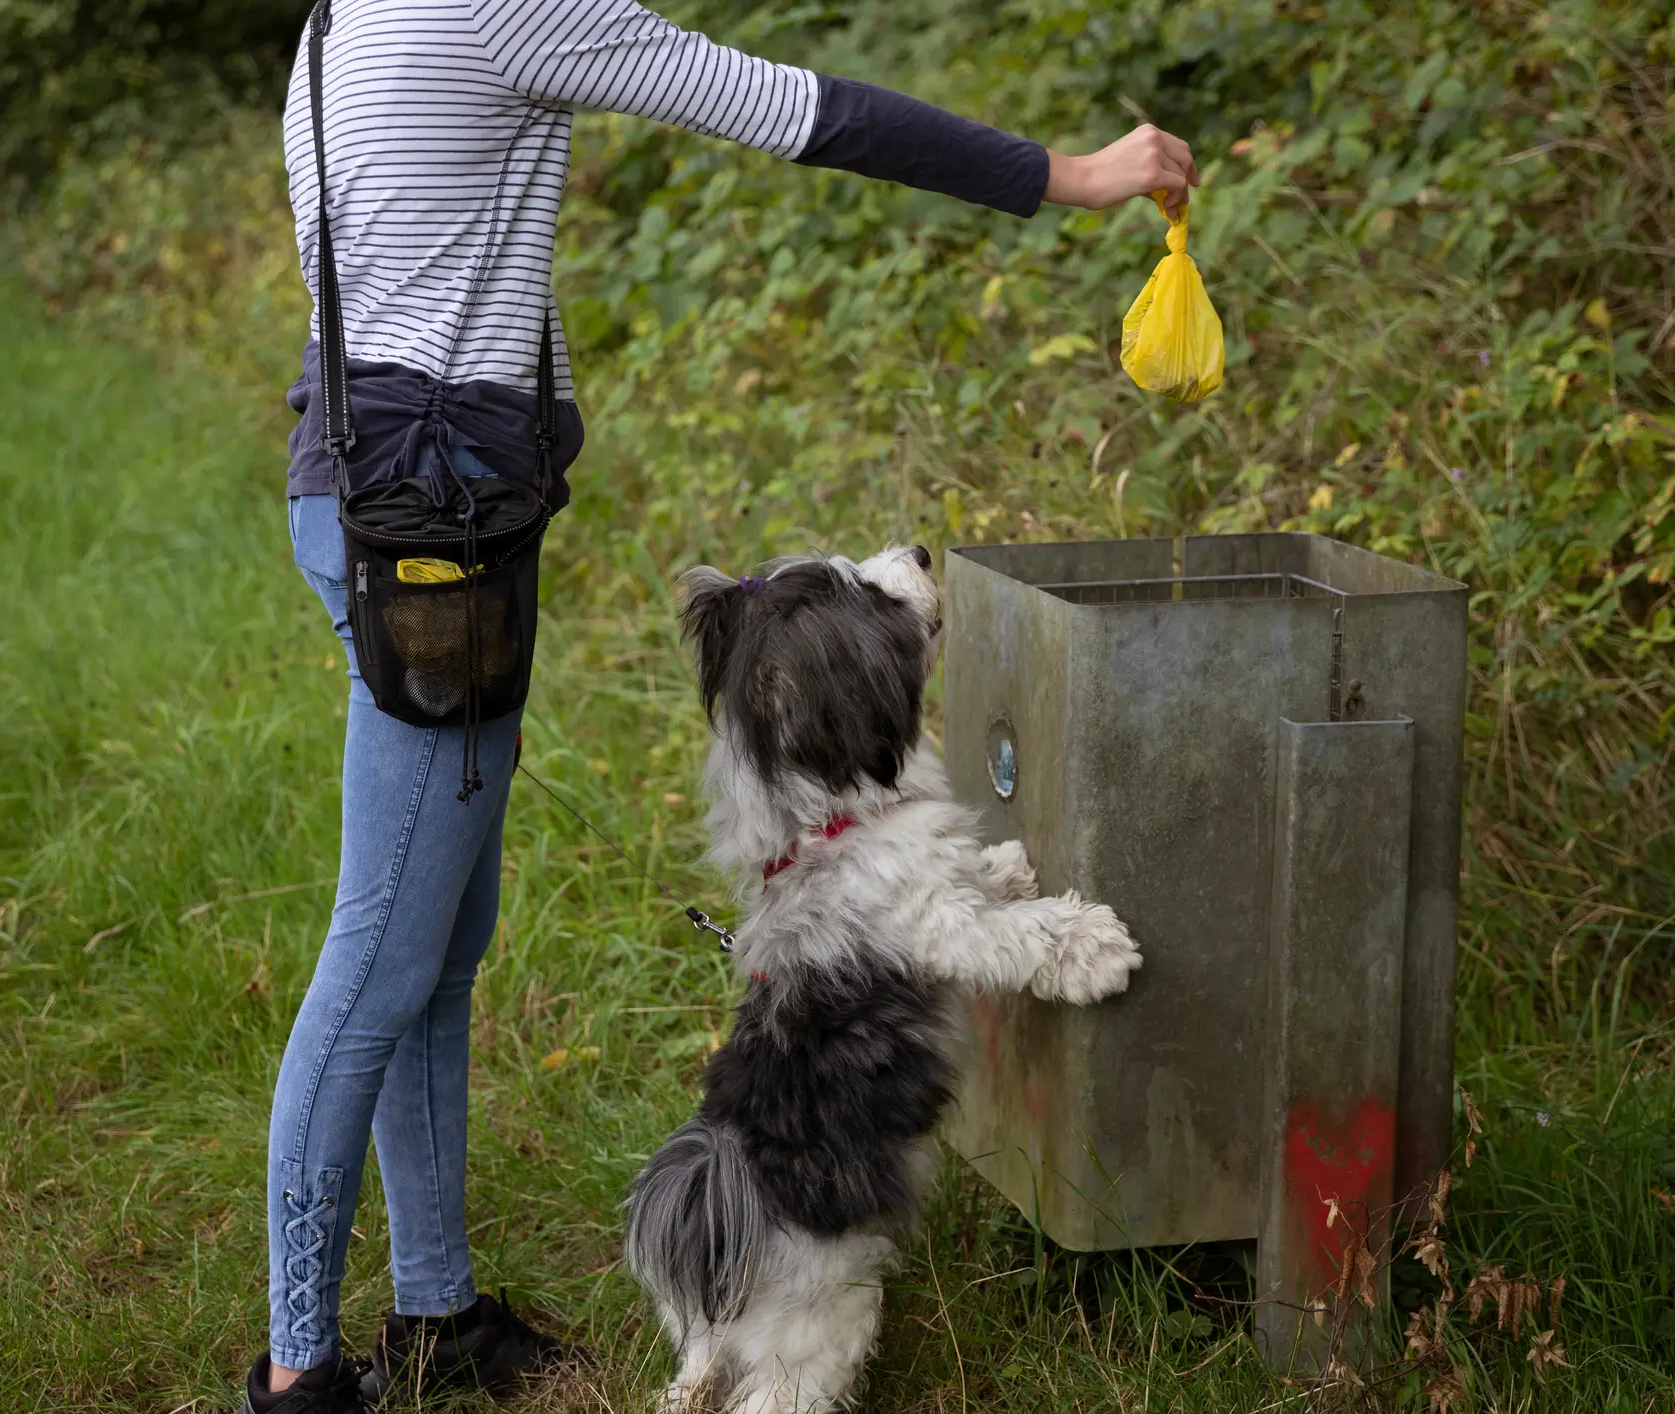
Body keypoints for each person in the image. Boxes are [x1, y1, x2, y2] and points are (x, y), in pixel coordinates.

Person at [252, 1, 1198, 1409]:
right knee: (378, 964)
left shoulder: (346, 16)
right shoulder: (504, 9)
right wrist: (1070, 173)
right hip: (432, 540)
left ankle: (435, 1312)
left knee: (434, 951)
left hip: (373, 495)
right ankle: (299, 1371)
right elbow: (801, 109)